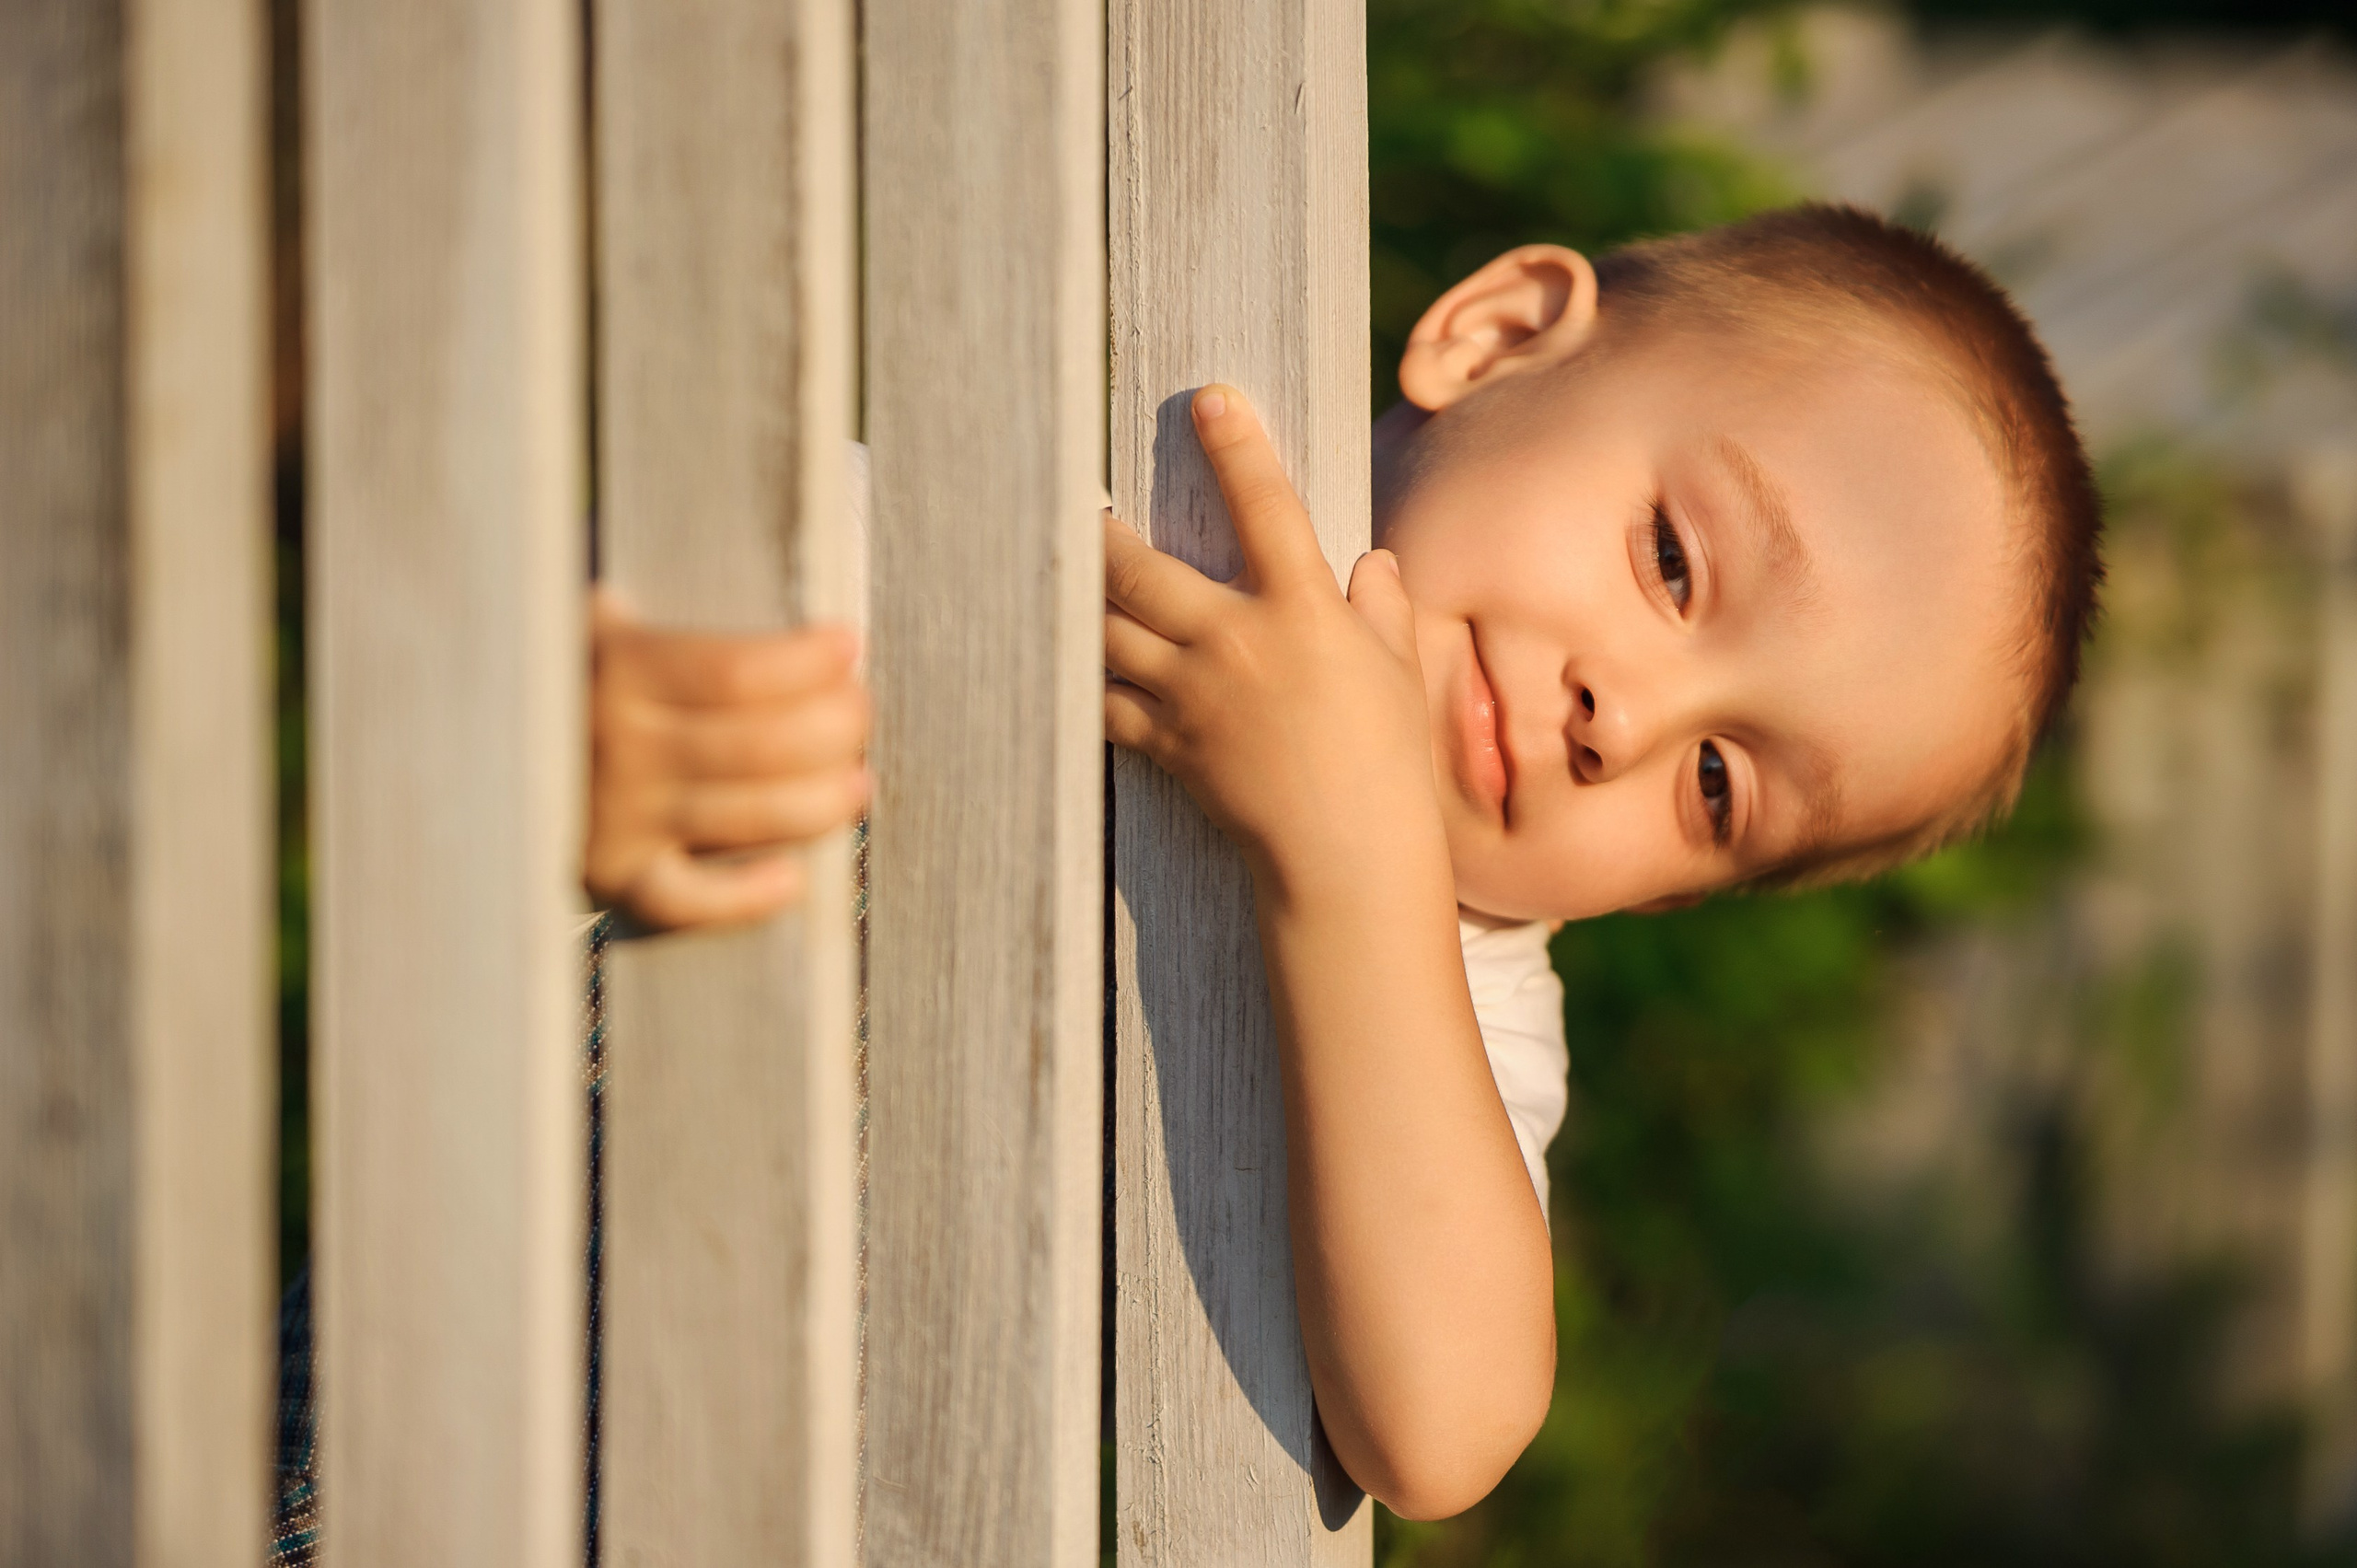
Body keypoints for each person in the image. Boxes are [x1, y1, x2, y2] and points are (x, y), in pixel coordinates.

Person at [580, 203, 2104, 1519]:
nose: (1623, 717)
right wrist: (583, 764)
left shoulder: (1468, 999)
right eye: (1673, 563)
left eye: (1719, 783)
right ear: (1498, 338)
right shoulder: (983, 556)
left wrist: (1355, 852)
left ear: (1664, 897)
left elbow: (1440, 1432)